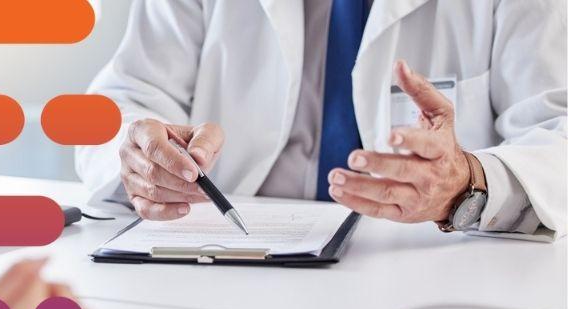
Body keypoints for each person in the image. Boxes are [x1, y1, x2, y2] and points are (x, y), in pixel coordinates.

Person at [75, 0, 567, 241]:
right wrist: (139, 154)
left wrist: (467, 182)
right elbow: (126, 97)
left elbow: (558, 134)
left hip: (428, 262)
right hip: (229, 250)